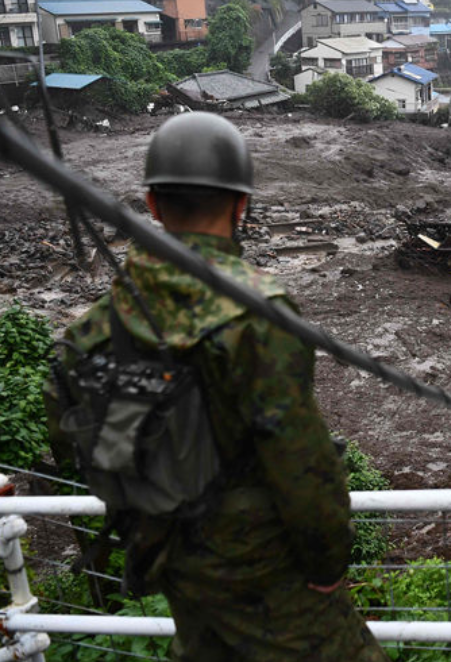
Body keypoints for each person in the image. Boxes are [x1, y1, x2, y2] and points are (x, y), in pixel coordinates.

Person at [45, 112, 388, 661]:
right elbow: (303, 461)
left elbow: (71, 438)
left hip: (171, 560)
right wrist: (327, 564)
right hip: (266, 570)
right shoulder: (258, 313)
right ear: (241, 204)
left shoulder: (98, 324)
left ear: (153, 205)